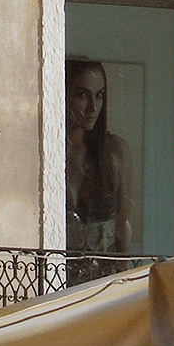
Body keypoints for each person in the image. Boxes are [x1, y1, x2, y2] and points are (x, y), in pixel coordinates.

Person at [65, 59, 131, 254]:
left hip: (104, 275)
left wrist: (123, 274)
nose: (93, 107)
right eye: (82, 95)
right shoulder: (48, 151)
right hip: (54, 275)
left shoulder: (116, 149)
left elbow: (122, 225)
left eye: (99, 95)